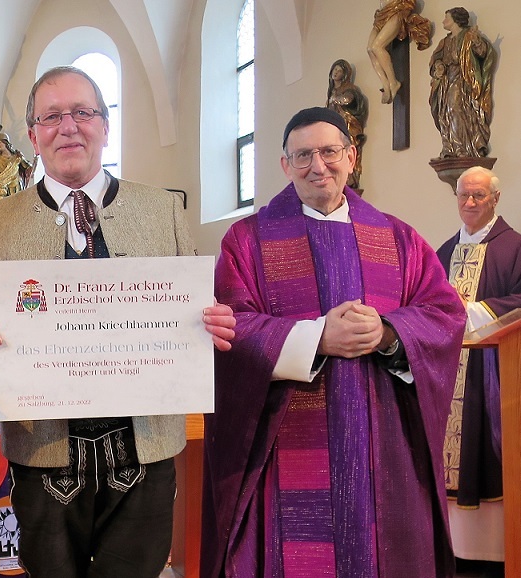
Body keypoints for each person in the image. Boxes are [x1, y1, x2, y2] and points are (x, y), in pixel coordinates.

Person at [0, 66, 236, 578]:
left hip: (145, 446)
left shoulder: (161, 209)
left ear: (105, 125)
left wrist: (213, 320)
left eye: (83, 112)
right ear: (33, 136)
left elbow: (197, 304)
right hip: (44, 450)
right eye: (51, 117)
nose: (69, 127)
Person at [200, 107, 466, 577]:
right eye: (302, 155)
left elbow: (444, 315)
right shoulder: (247, 240)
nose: (317, 166)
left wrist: (387, 333)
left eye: (328, 152)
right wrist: (319, 337)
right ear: (285, 164)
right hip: (286, 441)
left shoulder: (398, 237)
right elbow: (230, 326)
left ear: (351, 156)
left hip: (383, 437)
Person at [437, 166, 521, 575]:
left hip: (493, 375)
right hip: (448, 376)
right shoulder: (441, 253)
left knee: (488, 453)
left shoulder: (515, 247)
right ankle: (451, 552)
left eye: (479, 196)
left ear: (495, 199)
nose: (469, 203)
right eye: (464, 196)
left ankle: (497, 554)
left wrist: (469, 312)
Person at [429, 8, 496, 159]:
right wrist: (438, 66)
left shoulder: (467, 36)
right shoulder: (444, 42)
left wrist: (477, 41)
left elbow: (483, 53)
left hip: (462, 80)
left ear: (456, 20)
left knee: (455, 109)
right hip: (446, 82)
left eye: (446, 18)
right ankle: (449, 147)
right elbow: (435, 60)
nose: (443, 21)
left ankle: (461, 149)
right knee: (444, 113)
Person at [367, 0, 432, 104]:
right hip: (381, 16)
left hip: (395, 12)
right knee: (370, 49)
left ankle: (393, 82)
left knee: (377, 47)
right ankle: (385, 84)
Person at [326, 59, 368, 189]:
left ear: (345, 74)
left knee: (346, 148)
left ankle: (349, 178)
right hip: (334, 128)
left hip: (347, 124)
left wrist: (336, 100)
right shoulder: (330, 93)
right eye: (335, 70)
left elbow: (349, 99)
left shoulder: (349, 88)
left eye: (340, 71)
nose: (336, 73)